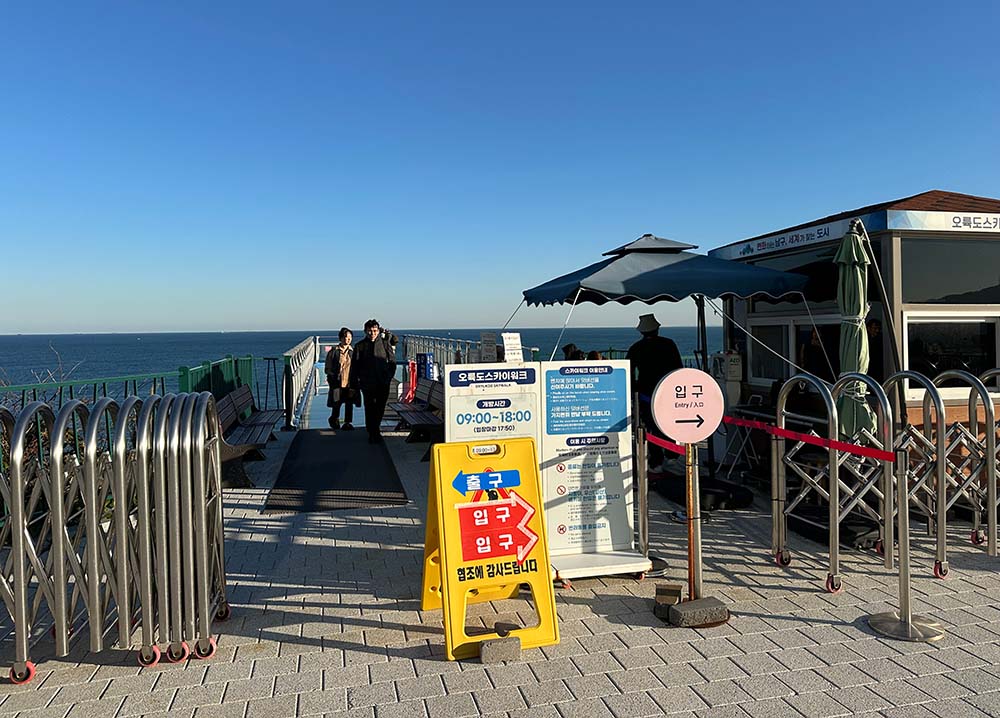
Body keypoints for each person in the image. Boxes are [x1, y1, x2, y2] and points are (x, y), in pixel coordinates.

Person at [626, 314, 683, 473]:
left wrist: (635, 389)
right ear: (657, 329)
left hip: (646, 393)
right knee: (669, 424)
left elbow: (628, 372)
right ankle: (672, 456)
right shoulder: (669, 344)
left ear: (642, 332)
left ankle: (656, 461)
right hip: (668, 390)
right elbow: (678, 367)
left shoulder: (636, 348)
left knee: (650, 427)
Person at [351, 319, 397, 444]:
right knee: (369, 407)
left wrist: (389, 376)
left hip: (383, 382)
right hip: (367, 383)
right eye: (370, 331)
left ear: (378, 330)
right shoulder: (359, 346)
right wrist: (355, 382)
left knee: (380, 407)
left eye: (375, 331)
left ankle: (374, 429)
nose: (372, 333)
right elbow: (354, 366)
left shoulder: (384, 343)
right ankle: (373, 432)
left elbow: (392, 361)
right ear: (365, 331)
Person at [325, 327, 358, 430]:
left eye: (349, 338)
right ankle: (334, 419)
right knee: (336, 403)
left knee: (349, 403)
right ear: (340, 338)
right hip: (337, 382)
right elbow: (328, 367)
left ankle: (348, 422)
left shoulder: (353, 352)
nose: (347, 340)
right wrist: (331, 377)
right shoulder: (334, 352)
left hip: (350, 382)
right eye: (345, 337)